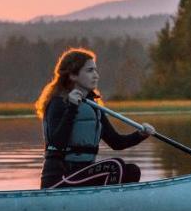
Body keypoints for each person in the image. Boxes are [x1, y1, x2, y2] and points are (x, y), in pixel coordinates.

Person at [35, 48, 155, 189]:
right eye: (90, 70)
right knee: (114, 166)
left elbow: (116, 142)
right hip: (59, 178)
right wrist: (72, 108)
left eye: (96, 70)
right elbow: (57, 143)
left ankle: (119, 207)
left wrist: (141, 135)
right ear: (73, 75)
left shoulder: (93, 107)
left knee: (131, 170)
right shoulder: (58, 103)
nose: (96, 75)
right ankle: (107, 206)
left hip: (82, 174)